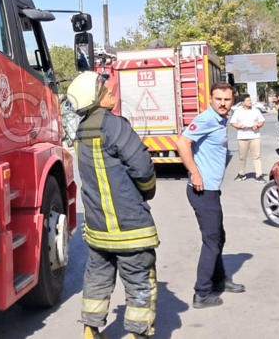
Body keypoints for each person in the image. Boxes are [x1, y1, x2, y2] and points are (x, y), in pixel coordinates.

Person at [67, 72, 158, 339]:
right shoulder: (115, 125)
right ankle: (136, 334)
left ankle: (90, 330)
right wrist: (148, 191)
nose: (112, 93)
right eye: (105, 91)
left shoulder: (82, 130)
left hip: (99, 228)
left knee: (97, 277)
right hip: (130, 226)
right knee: (140, 281)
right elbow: (143, 169)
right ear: (94, 99)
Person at [175, 82, 245, 310]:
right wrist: (195, 173)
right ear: (211, 99)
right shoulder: (206, 119)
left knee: (218, 237)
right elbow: (182, 142)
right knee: (212, 240)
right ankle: (202, 293)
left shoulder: (220, 120)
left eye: (227, 99)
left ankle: (219, 280)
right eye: (218, 99)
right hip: (201, 190)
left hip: (211, 189)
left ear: (232, 101)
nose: (223, 103)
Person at [229, 95, 266, 182]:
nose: (250, 102)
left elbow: (262, 121)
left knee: (256, 156)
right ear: (243, 102)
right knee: (242, 157)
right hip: (242, 137)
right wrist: (239, 126)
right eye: (248, 100)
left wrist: (257, 126)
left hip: (255, 137)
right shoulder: (238, 111)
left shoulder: (256, 110)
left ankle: (259, 175)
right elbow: (233, 122)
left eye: (250, 100)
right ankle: (241, 174)